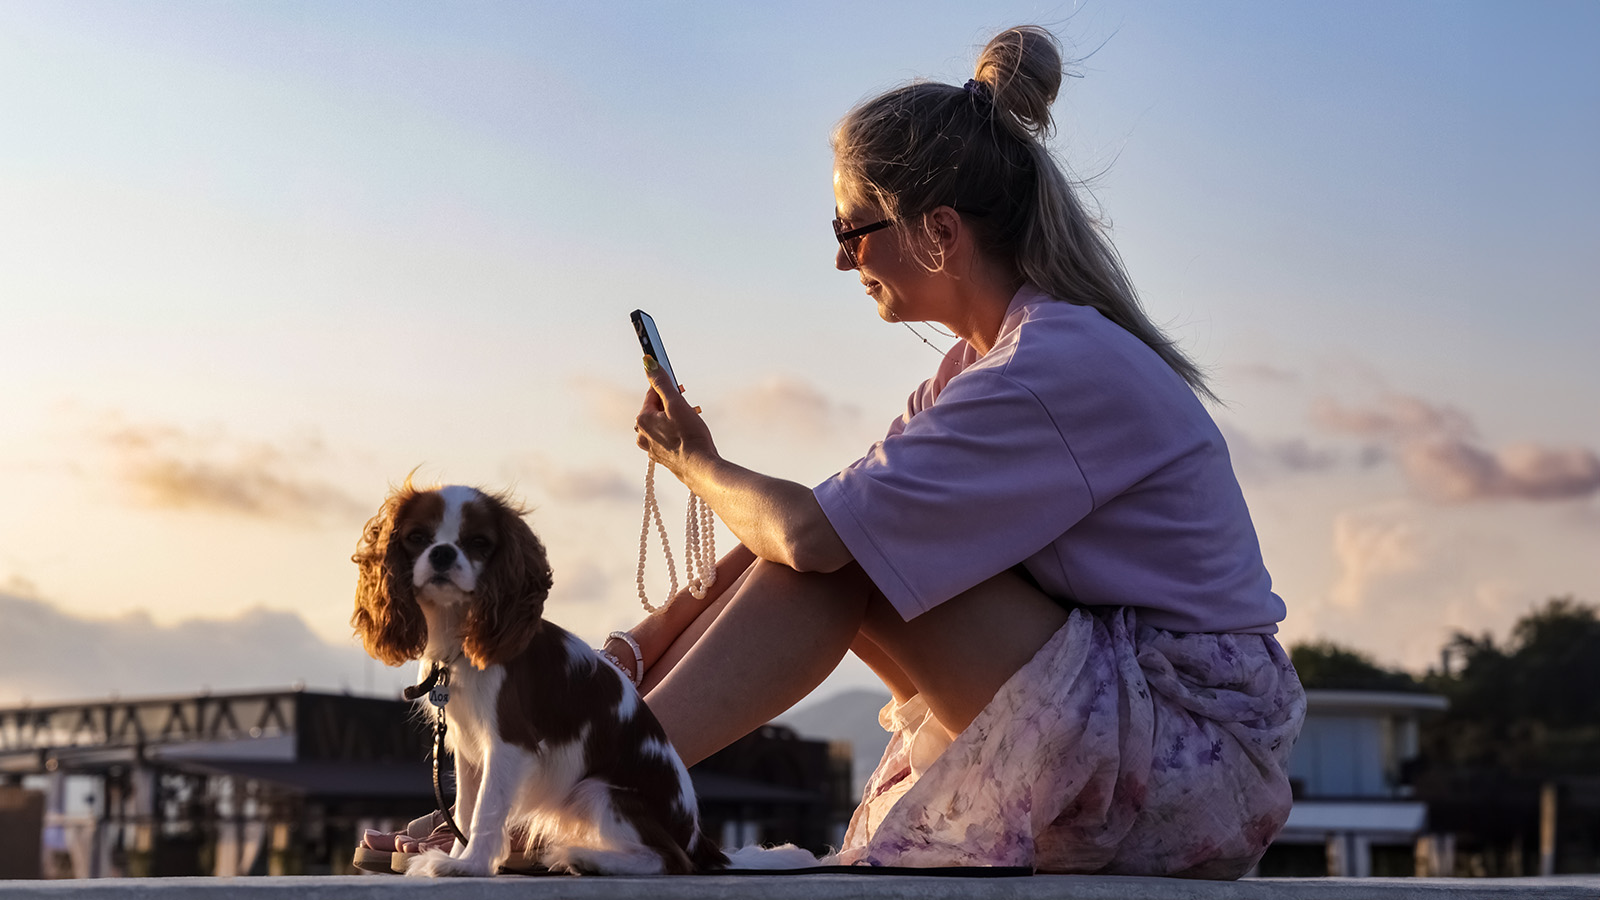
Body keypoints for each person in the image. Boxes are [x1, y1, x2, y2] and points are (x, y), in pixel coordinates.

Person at [612, 25, 1305, 878]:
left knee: (852, 553)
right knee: (852, 544)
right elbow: (799, 539)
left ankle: (596, 784)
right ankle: (590, 769)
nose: (839, 258)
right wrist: (630, 658)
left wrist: (697, 465)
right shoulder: (978, 370)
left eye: (851, 226)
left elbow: (817, 540)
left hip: (1192, 754)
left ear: (939, 231)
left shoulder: (1051, 368)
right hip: (1136, 724)